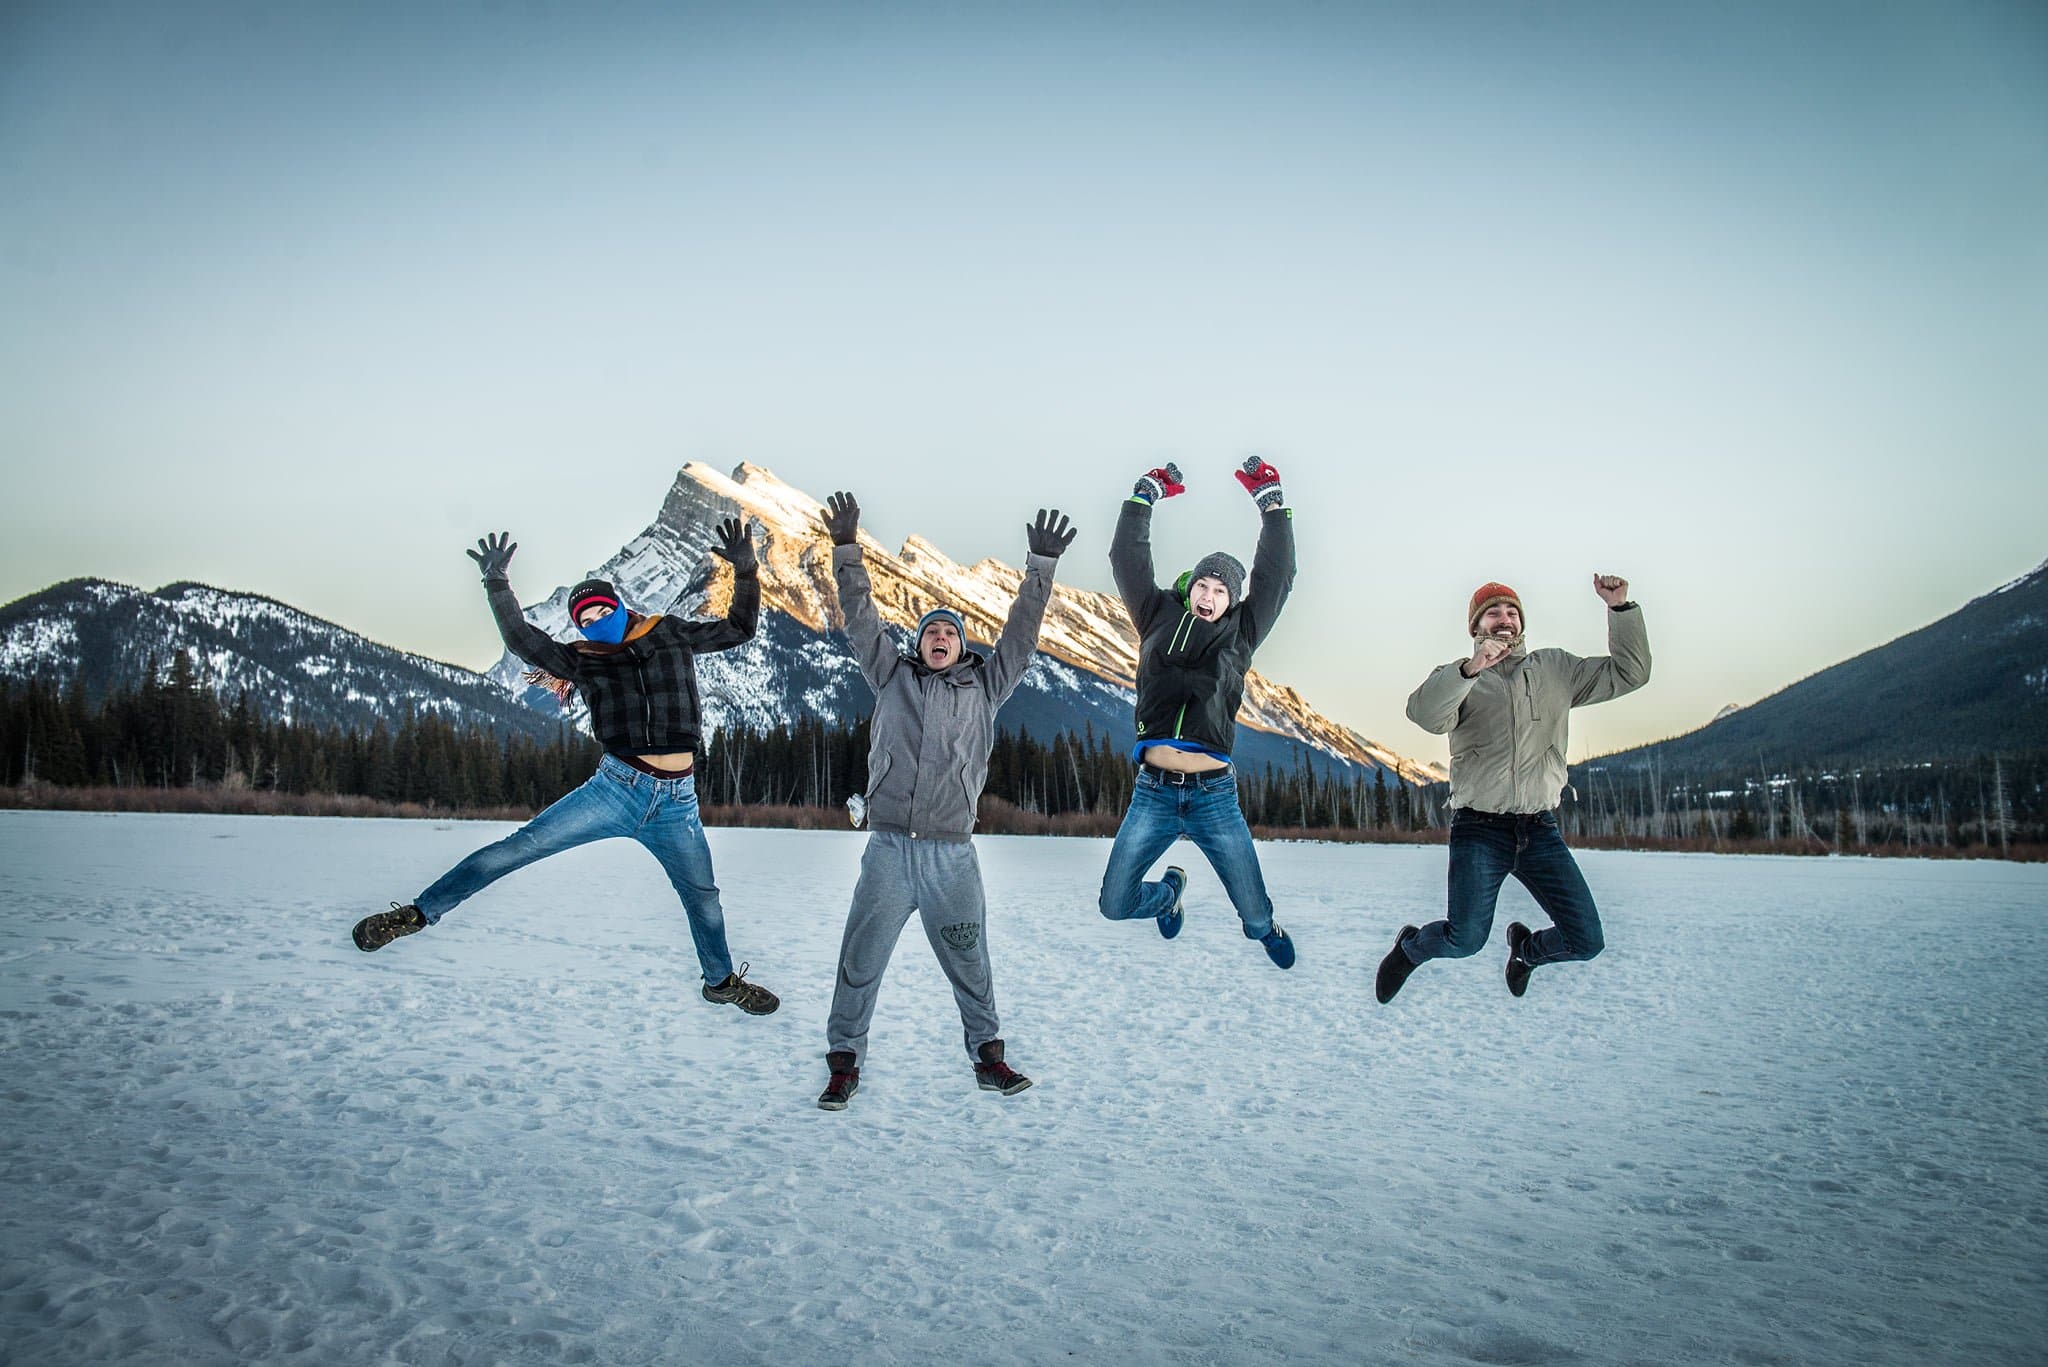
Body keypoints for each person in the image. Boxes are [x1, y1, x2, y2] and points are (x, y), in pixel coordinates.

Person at [351, 521, 781, 1016]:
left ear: (619, 606)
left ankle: (720, 981)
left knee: (703, 897)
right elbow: (522, 640)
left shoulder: (670, 633)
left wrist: (746, 570)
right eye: (584, 617)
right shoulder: (582, 660)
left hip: (677, 804)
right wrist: (497, 583)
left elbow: (740, 629)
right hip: (615, 790)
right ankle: (417, 913)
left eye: (601, 609)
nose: (595, 619)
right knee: (515, 850)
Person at [815, 491, 1073, 1110]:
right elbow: (859, 616)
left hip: (950, 857)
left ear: (960, 647)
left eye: (947, 634)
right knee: (860, 959)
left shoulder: (986, 688)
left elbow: (1020, 637)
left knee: (970, 962)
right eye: (930, 631)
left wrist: (1040, 570)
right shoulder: (891, 675)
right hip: (888, 852)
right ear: (919, 643)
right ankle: (844, 1064)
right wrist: (846, 549)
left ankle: (990, 1059)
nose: (938, 638)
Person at [1376, 576, 1651, 1003]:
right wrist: (1470, 670)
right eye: (1493, 612)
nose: (1504, 619)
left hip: (1539, 829)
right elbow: (1425, 715)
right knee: (1464, 939)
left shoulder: (1557, 669)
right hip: (1478, 830)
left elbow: (1631, 673)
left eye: (1512, 612)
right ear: (1476, 627)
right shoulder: (1459, 678)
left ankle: (1526, 953)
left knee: (1586, 940)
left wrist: (1619, 609)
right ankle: (1411, 948)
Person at [1096, 457, 1299, 969]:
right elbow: (1127, 557)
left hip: (1214, 797)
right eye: (1203, 586)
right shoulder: (1157, 614)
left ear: (1232, 600)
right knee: (1114, 904)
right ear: (1190, 589)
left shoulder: (1242, 632)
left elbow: (1278, 574)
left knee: (1253, 917)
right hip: (1154, 792)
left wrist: (1271, 505)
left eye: (1221, 590)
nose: (1209, 596)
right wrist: (1145, 493)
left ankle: (1264, 925)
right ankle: (1168, 896)